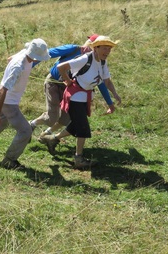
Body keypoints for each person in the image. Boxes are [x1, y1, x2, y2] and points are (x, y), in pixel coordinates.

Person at [39, 35, 121, 169]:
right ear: (96, 47)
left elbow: (106, 81)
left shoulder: (102, 62)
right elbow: (61, 67)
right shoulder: (85, 58)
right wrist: (68, 81)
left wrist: (115, 94)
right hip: (75, 97)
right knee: (82, 128)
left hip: (85, 97)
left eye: (109, 49)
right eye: (104, 48)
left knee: (77, 125)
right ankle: (79, 159)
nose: (107, 52)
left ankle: (52, 139)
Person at [0, 38, 50, 170]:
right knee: (25, 130)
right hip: (8, 102)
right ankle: (9, 160)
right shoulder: (18, 67)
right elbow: (3, 90)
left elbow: (9, 58)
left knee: (1, 123)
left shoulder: (24, 53)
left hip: (9, 99)